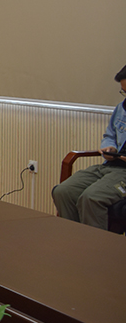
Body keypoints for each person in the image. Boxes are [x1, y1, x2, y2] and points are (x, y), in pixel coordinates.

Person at [51, 64, 126, 230]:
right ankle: (73, 239)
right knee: (63, 191)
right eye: (124, 92)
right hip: (109, 166)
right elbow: (110, 135)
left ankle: (94, 245)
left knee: (92, 198)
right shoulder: (121, 108)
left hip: (124, 172)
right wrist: (109, 148)